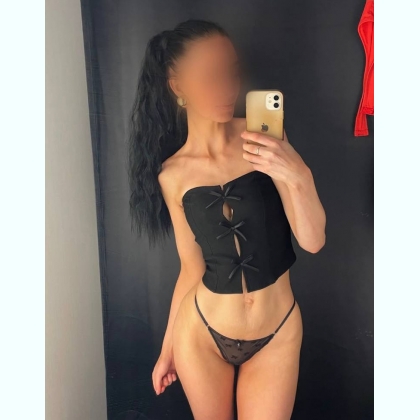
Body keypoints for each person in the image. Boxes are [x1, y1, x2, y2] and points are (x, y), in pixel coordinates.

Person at [128, 19, 326, 420]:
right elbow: (190, 268)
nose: (227, 88)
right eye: (209, 76)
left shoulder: (264, 137)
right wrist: (168, 348)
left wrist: (298, 173)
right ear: (178, 86)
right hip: (202, 332)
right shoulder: (171, 175)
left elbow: (313, 241)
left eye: (231, 72)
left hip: (278, 331)